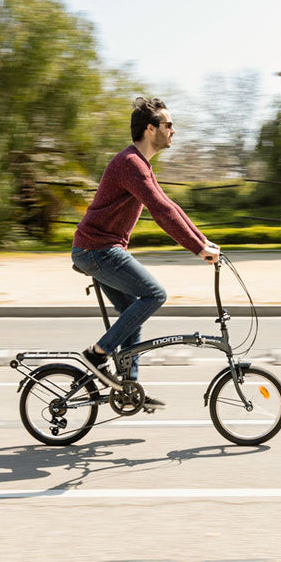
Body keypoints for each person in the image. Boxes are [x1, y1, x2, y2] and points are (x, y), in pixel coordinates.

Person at [71, 97, 220, 410]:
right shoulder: (130, 164)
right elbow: (161, 211)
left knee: (133, 314)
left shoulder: (139, 165)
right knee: (154, 295)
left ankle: (128, 387)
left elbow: (171, 206)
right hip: (98, 250)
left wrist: (204, 241)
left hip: (97, 250)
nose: (173, 131)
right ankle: (98, 354)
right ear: (151, 130)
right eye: (168, 125)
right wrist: (198, 249)